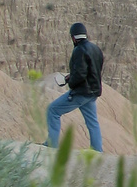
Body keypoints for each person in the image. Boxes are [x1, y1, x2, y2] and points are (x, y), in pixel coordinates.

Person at [45, 22, 105, 152]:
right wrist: (71, 76)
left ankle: (51, 144)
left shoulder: (79, 50)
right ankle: (97, 150)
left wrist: (70, 82)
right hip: (93, 92)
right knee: (92, 122)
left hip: (81, 92)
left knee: (53, 111)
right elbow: (93, 70)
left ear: (73, 37)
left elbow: (80, 74)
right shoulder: (96, 49)